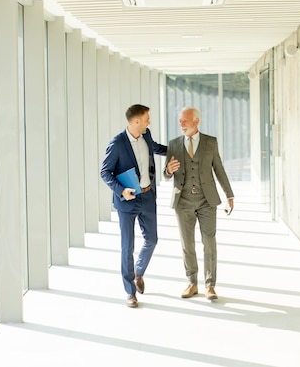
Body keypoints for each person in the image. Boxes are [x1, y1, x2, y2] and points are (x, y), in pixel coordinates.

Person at [163, 106, 234, 300]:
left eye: (185, 120)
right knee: (187, 244)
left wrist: (229, 194)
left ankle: (210, 285)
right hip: (182, 201)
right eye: (180, 121)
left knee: (209, 242)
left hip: (206, 200)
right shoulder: (174, 144)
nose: (181, 124)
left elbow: (219, 169)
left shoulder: (210, 142)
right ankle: (192, 283)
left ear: (197, 121)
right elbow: (165, 174)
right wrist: (168, 170)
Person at [100, 104, 167, 308]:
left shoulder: (146, 135)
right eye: (147, 118)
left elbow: (155, 147)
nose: (149, 122)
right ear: (136, 121)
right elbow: (105, 173)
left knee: (152, 239)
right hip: (127, 201)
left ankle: (138, 271)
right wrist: (122, 191)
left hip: (147, 197)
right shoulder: (117, 144)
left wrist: (179, 149)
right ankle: (130, 291)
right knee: (127, 246)